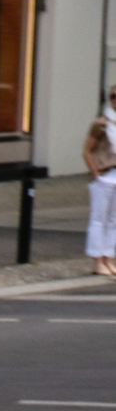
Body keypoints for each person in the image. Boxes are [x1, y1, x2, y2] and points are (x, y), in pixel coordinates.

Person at [88, 87, 116, 278]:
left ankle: (109, 258)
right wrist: (96, 173)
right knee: (99, 220)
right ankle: (97, 261)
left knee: (114, 221)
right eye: (114, 97)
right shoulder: (101, 124)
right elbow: (87, 149)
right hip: (105, 175)